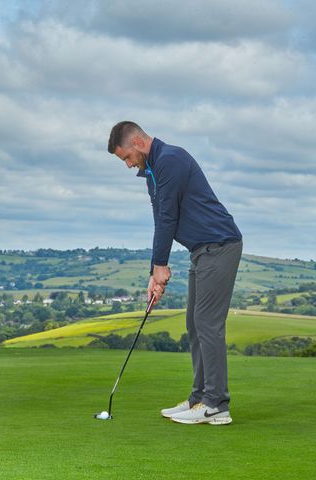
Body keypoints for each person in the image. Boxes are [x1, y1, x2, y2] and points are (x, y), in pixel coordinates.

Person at [108, 121, 243, 425]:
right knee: (194, 324)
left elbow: (168, 217)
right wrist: (155, 272)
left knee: (208, 324)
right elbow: (161, 221)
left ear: (138, 143)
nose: (129, 166)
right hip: (202, 250)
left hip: (220, 246)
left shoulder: (171, 160)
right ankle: (199, 398)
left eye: (127, 158)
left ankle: (216, 405)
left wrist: (160, 267)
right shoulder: (153, 171)